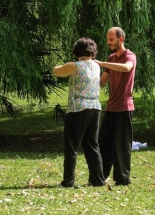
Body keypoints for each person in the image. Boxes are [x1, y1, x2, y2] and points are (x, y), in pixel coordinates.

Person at [53, 37, 106, 188]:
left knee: (72, 146)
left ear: (77, 50)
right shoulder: (96, 66)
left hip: (78, 108)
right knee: (92, 146)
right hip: (95, 107)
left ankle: (68, 181)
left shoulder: (75, 65)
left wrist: (58, 66)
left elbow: (57, 72)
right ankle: (98, 180)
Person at [95, 27, 137, 186]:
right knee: (103, 143)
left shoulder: (130, 56)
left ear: (121, 39)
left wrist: (103, 63)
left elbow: (126, 67)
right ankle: (100, 177)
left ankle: (122, 179)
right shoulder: (111, 57)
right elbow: (102, 81)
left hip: (124, 107)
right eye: (107, 39)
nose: (108, 42)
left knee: (121, 145)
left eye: (111, 39)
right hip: (111, 107)